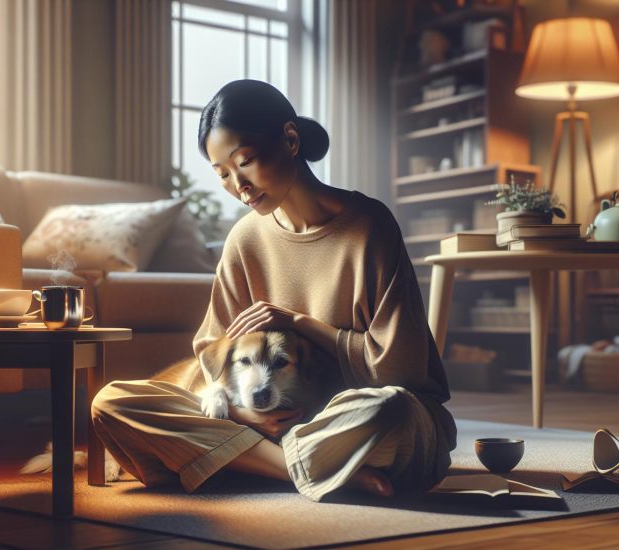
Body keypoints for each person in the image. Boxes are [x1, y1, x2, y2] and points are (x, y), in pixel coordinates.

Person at [90, 79, 458, 502]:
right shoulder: (244, 239)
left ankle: (240, 462)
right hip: (266, 424)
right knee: (113, 402)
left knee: (390, 409)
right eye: (222, 174)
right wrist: (248, 415)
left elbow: (399, 371)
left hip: (351, 418)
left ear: (290, 139)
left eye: (244, 162)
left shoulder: (369, 227)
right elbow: (213, 349)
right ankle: (301, 469)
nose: (238, 185)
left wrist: (298, 322)